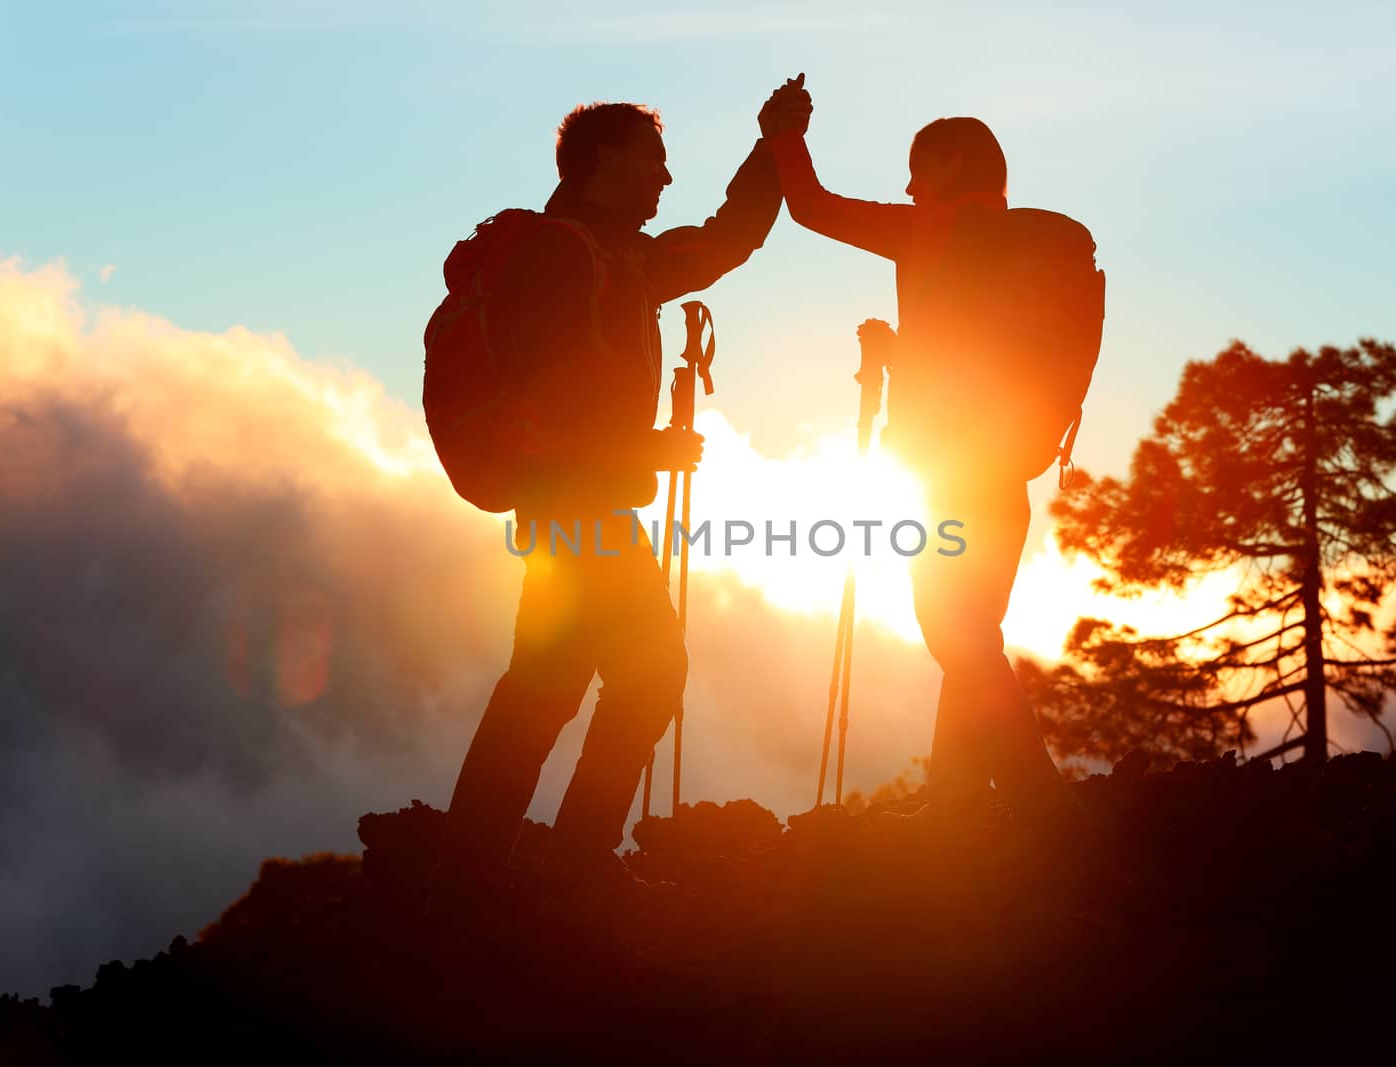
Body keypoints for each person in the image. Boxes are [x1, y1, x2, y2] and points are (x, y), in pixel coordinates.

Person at [431, 86, 804, 900]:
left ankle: (473, 869)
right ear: (604, 161)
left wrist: (773, 147)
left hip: (577, 499)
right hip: (575, 501)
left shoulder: (617, 257)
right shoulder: (563, 256)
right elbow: (551, 392)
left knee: (547, 682)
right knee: (646, 673)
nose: (667, 180)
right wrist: (649, 446)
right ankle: (566, 871)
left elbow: (726, 240)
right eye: (655, 162)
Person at [762, 79, 1079, 827]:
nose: (908, 185)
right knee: (971, 637)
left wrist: (783, 133)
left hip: (945, 477)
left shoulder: (928, 233)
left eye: (920, 168)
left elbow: (812, 208)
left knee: (956, 636)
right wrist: (900, 353)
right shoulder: (1025, 247)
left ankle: (1043, 806)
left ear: (954, 165)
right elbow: (973, 365)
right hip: (1006, 474)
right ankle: (957, 803)